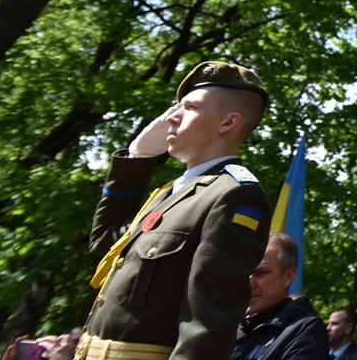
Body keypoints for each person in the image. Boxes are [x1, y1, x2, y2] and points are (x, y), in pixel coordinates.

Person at [81, 60, 272, 359]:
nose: (171, 118)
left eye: (190, 108)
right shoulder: (170, 193)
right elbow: (104, 241)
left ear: (227, 123)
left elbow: (207, 328)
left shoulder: (234, 195)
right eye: (175, 108)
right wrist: (137, 156)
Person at [231, 234, 330, 360]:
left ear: (288, 276)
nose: (250, 282)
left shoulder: (306, 331)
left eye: (260, 273)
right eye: (247, 272)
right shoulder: (232, 326)